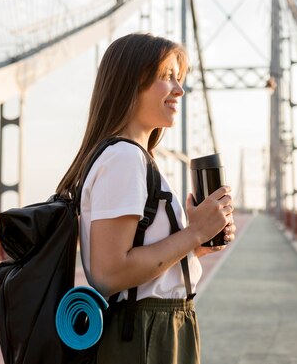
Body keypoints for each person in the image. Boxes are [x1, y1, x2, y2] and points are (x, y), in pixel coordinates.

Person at [56, 33, 235, 364]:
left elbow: (136, 261)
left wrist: (194, 246)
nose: (179, 90)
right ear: (131, 82)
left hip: (159, 324)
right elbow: (110, 274)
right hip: (143, 331)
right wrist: (193, 232)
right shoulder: (124, 158)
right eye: (167, 77)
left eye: (178, 79)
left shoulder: (131, 156)